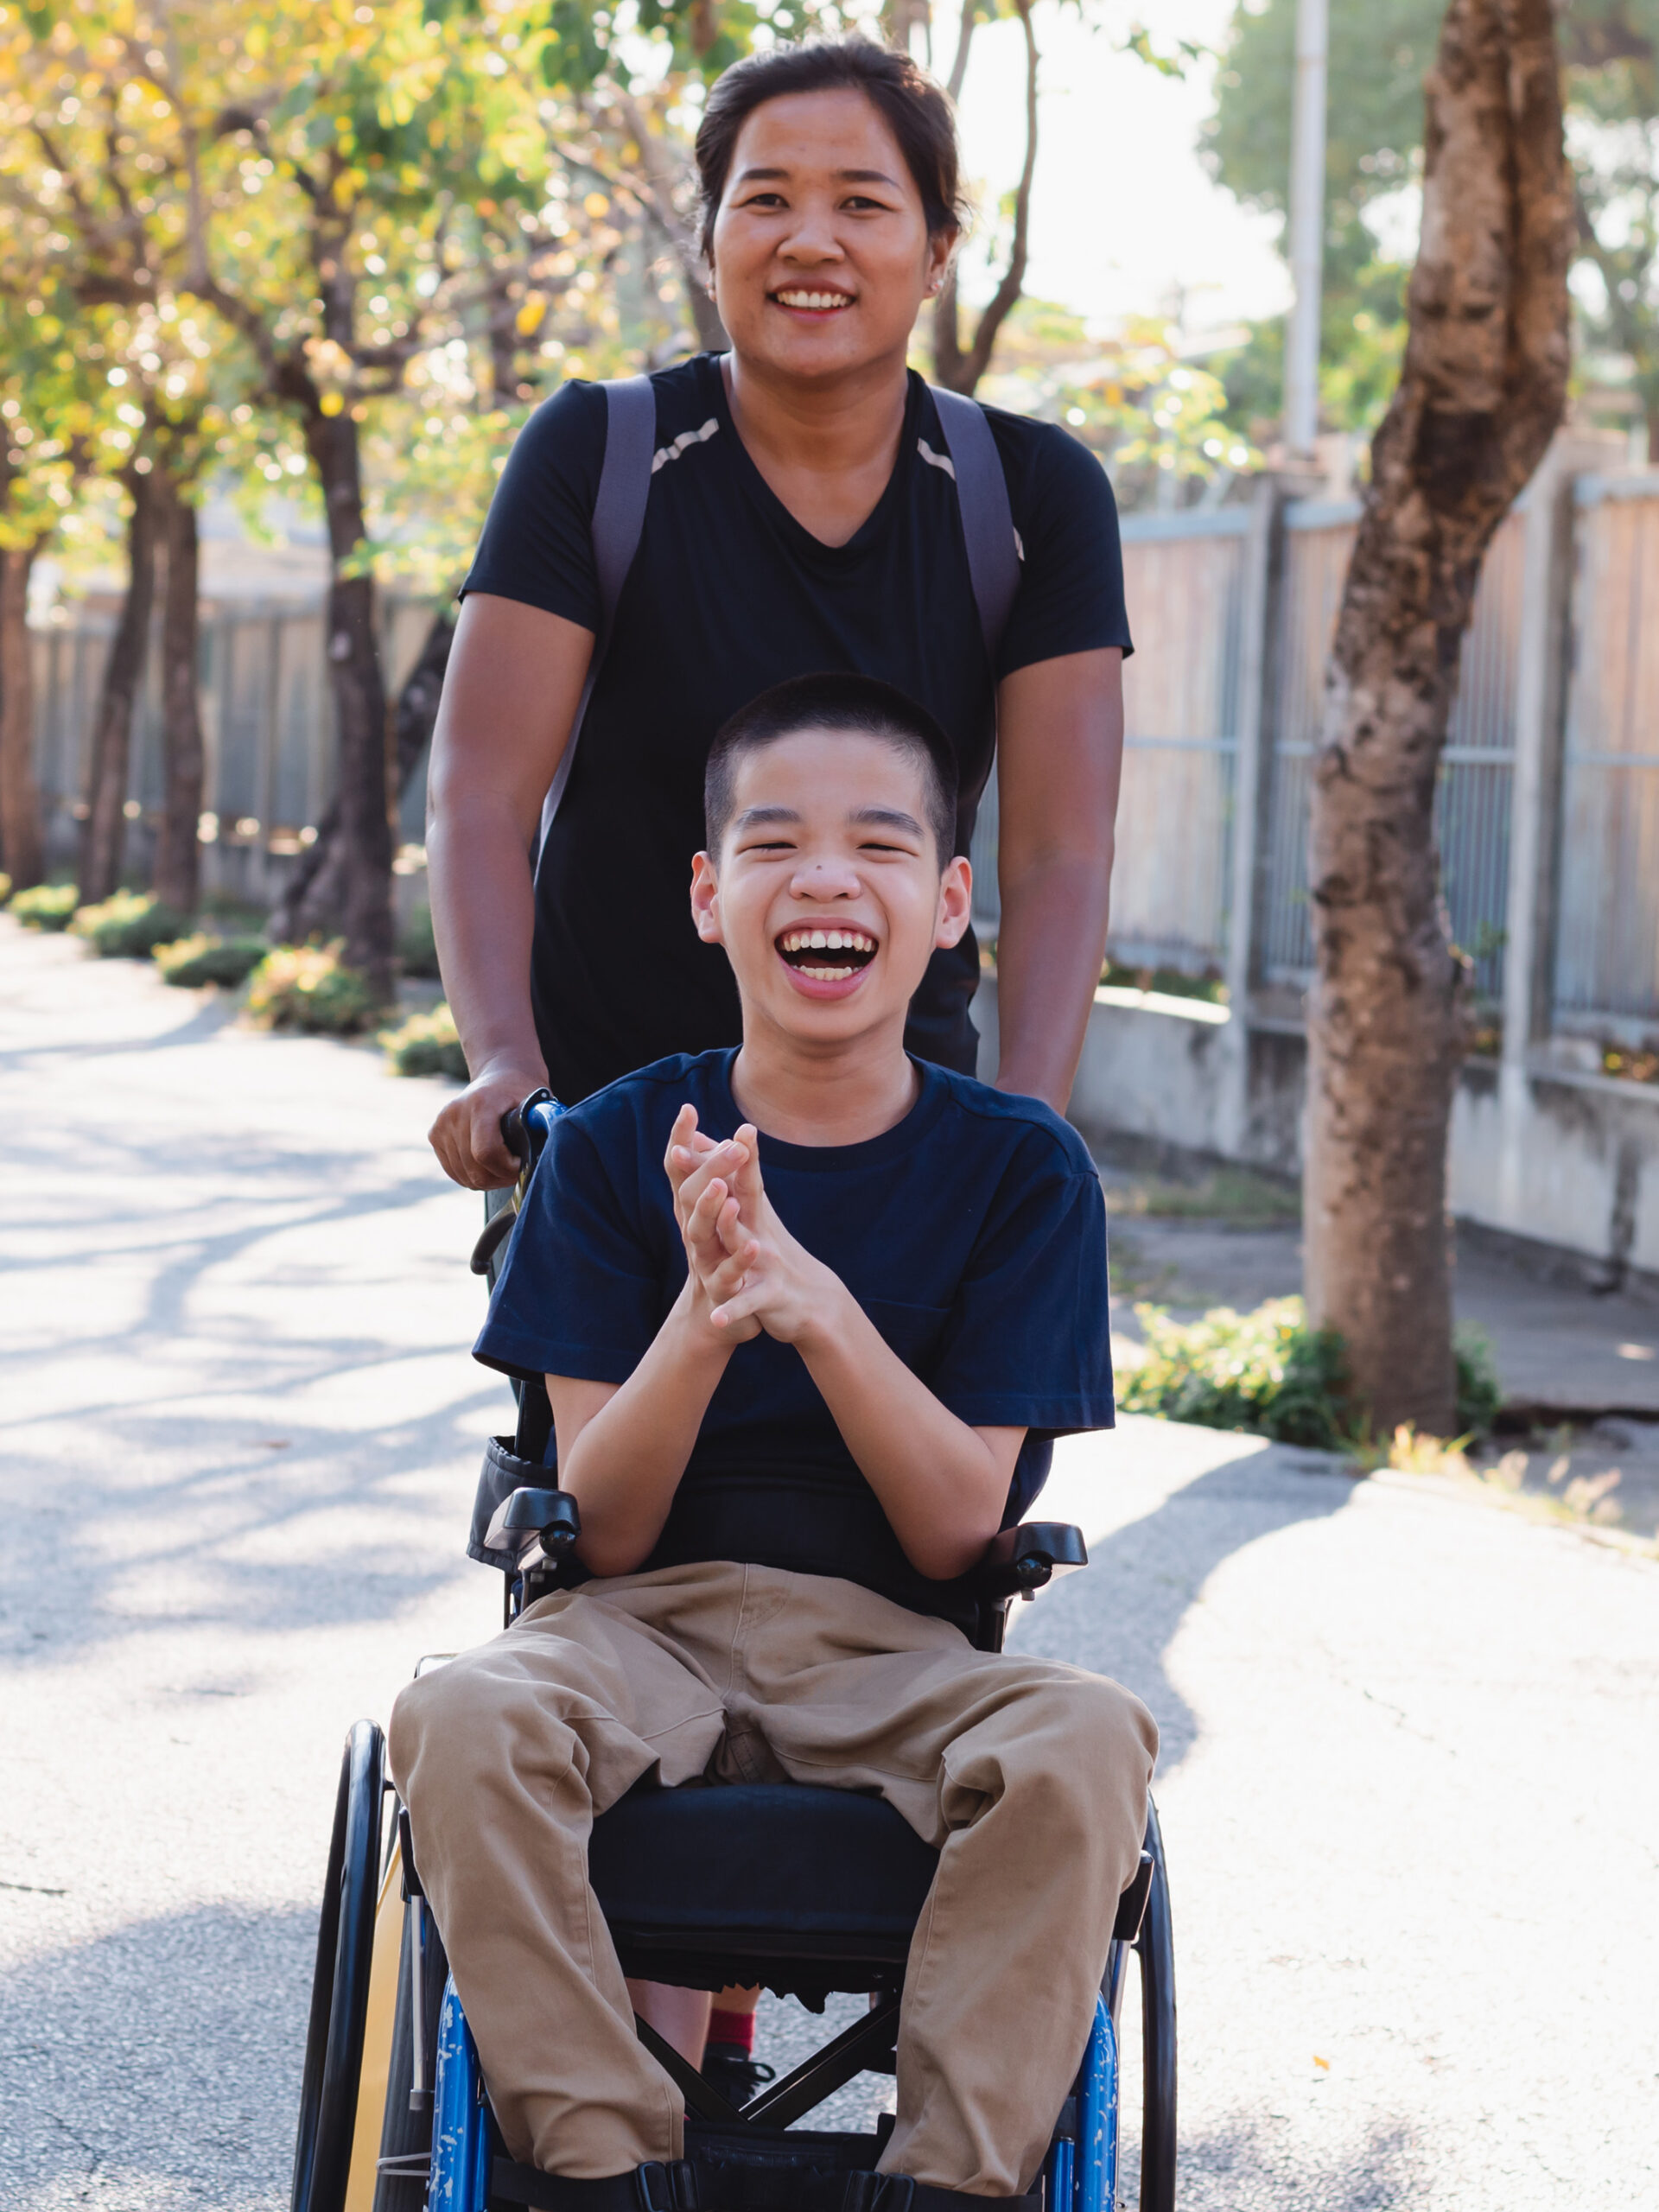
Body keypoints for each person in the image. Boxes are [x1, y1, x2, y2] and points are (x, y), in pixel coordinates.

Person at [390, 676, 1158, 2204]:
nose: (824, 877)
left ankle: (944, 2183)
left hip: (894, 1644)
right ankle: (601, 2168)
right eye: (775, 842)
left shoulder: (1019, 1171)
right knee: (461, 1717)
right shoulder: (614, 1146)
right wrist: (709, 1309)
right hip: (632, 1623)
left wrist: (813, 1307)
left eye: (877, 845)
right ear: (708, 894)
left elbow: (960, 1531)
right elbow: (593, 1526)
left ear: (947, 905)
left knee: (1086, 1739)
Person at [424, 33, 1131, 1198]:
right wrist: (505, 1064)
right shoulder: (598, 455)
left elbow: (1061, 852)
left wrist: (1024, 1137)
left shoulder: (1034, 496)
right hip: (609, 1154)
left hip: (908, 1167)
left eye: (863, 202)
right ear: (708, 245)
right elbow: (481, 797)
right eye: (765, 201)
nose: (812, 241)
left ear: (939, 251)